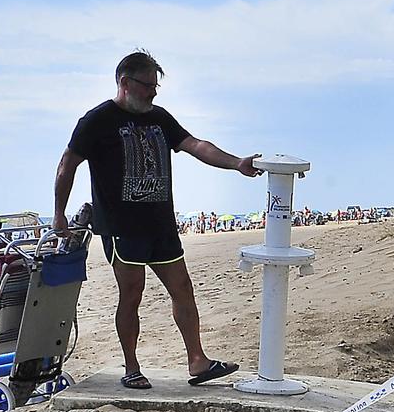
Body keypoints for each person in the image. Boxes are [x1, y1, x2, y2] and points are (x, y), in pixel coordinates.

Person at [53, 51, 259, 390]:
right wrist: (59, 213)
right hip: (122, 228)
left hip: (160, 224)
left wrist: (237, 163)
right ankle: (132, 367)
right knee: (132, 294)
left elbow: (195, 144)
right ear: (125, 82)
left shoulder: (159, 117)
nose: (153, 92)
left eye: (155, 86)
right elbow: (67, 164)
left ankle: (198, 360)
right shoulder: (97, 120)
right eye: (148, 85)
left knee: (183, 289)